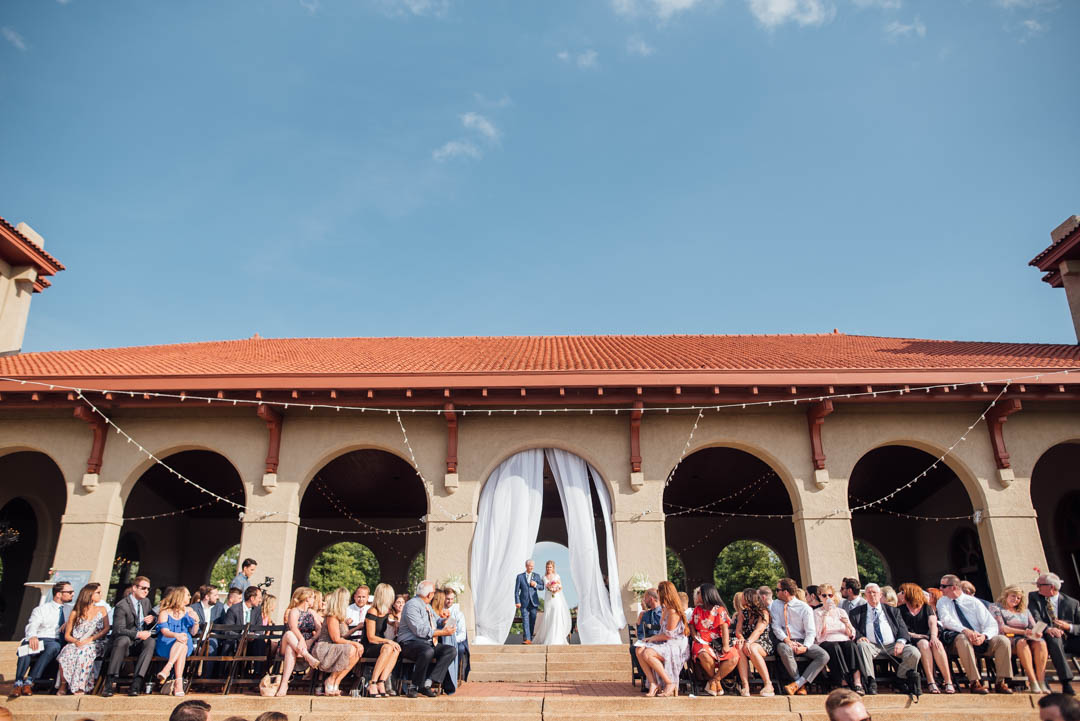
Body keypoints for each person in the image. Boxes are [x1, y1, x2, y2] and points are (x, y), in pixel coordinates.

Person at [935, 573, 1012, 694]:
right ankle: (974, 681)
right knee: (963, 638)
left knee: (1003, 641)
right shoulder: (942, 602)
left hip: (979, 639)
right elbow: (946, 621)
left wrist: (984, 636)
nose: (940, 589)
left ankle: (1000, 682)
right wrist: (965, 630)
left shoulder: (973, 602)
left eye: (943, 586)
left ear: (954, 587)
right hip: (957, 642)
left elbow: (991, 624)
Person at [849, 582, 921, 696]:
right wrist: (860, 637)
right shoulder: (856, 612)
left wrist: (900, 642)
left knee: (914, 652)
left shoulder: (892, 611)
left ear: (880, 594)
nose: (872, 595)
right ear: (865, 596)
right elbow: (853, 629)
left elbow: (903, 629)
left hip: (892, 645)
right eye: (869, 592)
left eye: (875, 592)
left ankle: (900, 678)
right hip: (871, 645)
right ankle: (871, 681)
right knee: (861, 646)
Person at [397, 580, 457, 697]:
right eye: (433, 592)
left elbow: (435, 621)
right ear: (429, 594)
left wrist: (444, 620)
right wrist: (443, 632)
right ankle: (414, 686)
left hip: (427, 643)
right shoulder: (412, 605)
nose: (434, 595)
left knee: (450, 650)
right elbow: (420, 630)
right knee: (427, 651)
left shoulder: (427, 605)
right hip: (410, 643)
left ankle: (428, 683)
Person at [13, 580, 73, 696]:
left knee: (53, 647)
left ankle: (30, 681)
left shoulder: (71, 610)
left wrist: (70, 622)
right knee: (25, 648)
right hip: (39, 638)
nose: (72, 594)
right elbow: (32, 624)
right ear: (59, 594)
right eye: (69, 592)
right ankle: (18, 683)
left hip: (54, 640)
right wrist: (32, 636)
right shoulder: (42, 609)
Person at [771, 577, 829, 695]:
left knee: (823, 655)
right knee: (784, 649)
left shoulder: (804, 607)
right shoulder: (775, 605)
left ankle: (798, 684)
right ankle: (798, 683)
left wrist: (805, 646)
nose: (776, 592)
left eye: (777, 590)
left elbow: (810, 631)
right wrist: (787, 640)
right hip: (785, 640)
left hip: (802, 640)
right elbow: (776, 626)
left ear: (785, 592)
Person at [102, 576, 157, 697]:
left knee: (150, 642)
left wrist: (152, 619)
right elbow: (118, 629)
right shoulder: (122, 605)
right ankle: (110, 681)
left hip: (138, 643)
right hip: (124, 642)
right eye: (143, 588)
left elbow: (151, 620)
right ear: (134, 588)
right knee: (123, 640)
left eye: (148, 589)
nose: (146, 591)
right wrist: (138, 634)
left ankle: (137, 682)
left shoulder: (146, 602)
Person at [634, 580, 690, 697]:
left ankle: (670, 683)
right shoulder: (666, 609)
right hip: (665, 641)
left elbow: (669, 635)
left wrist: (652, 638)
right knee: (639, 650)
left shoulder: (673, 612)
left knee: (648, 653)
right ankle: (653, 683)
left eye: (659, 592)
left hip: (674, 644)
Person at [897, 582, 953, 694]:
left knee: (937, 645)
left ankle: (948, 681)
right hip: (911, 638)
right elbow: (901, 629)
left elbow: (933, 623)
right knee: (923, 644)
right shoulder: (900, 610)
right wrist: (916, 636)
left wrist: (933, 637)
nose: (900, 594)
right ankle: (931, 681)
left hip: (928, 636)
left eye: (903, 592)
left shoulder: (926, 607)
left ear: (911, 593)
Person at [992, 583, 1048, 694]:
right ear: (1006, 595)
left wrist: (1038, 633)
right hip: (1009, 638)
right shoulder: (996, 607)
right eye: (1013, 596)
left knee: (1041, 643)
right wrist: (1023, 632)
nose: (1016, 600)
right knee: (1022, 643)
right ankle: (1032, 682)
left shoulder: (1025, 611)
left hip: (1027, 637)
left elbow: (1033, 626)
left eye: (1018, 598)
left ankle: (1041, 681)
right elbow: (1002, 628)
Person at [1030, 572, 1079, 696]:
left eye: (1040, 585)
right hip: (1048, 638)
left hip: (1069, 639)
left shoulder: (1072, 603)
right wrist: (1048, 629)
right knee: (1055, 639)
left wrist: (1069, 627)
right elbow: (1035, 617)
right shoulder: (1034, 597)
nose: (1037, 587)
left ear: (1051, 587)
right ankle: (1066, 682)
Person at [57, 582, 110, 695]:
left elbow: (106, 629)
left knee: (84, 652)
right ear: (90, 594)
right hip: (77, 642)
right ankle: (63, 684)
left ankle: (81, 686)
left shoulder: (102, 609)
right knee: (66, 652)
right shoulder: (76, 612)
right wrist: (76, 641)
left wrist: (90, 639)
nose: (100, 595)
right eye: (98, 592)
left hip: (96, 642)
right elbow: (67, 635)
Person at [311, 587, 361, 696]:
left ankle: (336, 681)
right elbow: (336, 639)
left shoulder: (341, 617)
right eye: (347, 600)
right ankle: (331, 679)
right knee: (352, 648)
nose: (348, 602)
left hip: (335, 646)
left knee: (357, 651)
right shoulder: (332, 616)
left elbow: (343, 635)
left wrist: (356, 628)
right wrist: (355, 643)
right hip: (325, 647)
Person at [689, 583, 737, 696]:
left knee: (734, 656)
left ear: (706, 594)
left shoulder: (719, 609)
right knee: (704, 654)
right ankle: (716, 683)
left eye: (699, 593)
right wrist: (695, 636)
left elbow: (724, 627)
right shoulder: (697, 609)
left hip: (717, 642)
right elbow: (691, 624)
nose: (697, 595)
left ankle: (714, 680)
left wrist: (725, 645)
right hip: (701, 641)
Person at [273, 586, 321, 698]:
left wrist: (311, 640)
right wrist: (302, 640)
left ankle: (284, 684)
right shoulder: (294, 611)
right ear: (307, 599)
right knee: (289, 634)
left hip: (304, 644)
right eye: (313, 597)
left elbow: (319, 629)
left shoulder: (312, 613)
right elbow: (293, 627)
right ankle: (307, 657)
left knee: (291, 648)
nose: (314, 600)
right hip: (294, 639)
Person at [813, 583, 860, 693]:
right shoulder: (817, 612)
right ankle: (843, 680)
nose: (827, 598)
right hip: (827, 639)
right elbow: (819, 635)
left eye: (830, 595)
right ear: (820, 597)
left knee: (851, 645)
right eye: (824, 596)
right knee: (834, 647)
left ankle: (857, 681)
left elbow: (851, 634)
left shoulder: (841, 612)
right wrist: (825, 615)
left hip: (843, 637)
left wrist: (847, 624)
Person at [154, 586, 199, 696]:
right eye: (187, 594)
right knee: (182, 645)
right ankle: (179, 684)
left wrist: (196, 621)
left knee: (183, 642)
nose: (190, 597)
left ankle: (167, 669)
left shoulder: (189, 611)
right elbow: (164, 631)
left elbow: (193, 632)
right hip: (167, 643)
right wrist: (176, 635)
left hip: (183, 641)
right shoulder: (164, 612)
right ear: (179, 596)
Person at [733, 587, 775, 697]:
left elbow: (759, 630)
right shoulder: (743, 613)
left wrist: (748, 642)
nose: (741, 598)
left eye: (743, 597)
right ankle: (745, 685)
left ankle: (768, 684)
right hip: (747, 641)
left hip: (762, 642)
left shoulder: (764, 612)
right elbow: (738, 629)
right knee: (739, 647)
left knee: (752, 648)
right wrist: (741, 638)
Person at [363, 583, 402, 697]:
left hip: (380, 644)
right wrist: (388, 641)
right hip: (370, 645)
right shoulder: (372, 611)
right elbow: (371, 637)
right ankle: (373, 682)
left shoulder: (386, 611)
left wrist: (394, 622)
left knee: (396, 649)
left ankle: (382, 681)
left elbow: (384, 623)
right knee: (388, 647)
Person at [534, 560, 571, 646]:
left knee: (556, 615)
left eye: (550, 567)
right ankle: (547, 636)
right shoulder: (544, 577)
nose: (548, 568)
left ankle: (556, 637)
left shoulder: (557, 576)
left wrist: (556, 589)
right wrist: (550, 588)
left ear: (553, 568)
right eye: (547, 567)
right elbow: (543, 587)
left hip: (556, 598)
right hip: (548, 599)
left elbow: (560, 586)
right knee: (548, 615)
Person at [444, 587, 470, 683]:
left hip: (455, 639)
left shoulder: (458, 614)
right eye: (447, 599)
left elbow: (462, 634)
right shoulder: (438, 610)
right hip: (441, 639)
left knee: (460, 649)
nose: (449, 601)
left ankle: (453, 674)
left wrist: (453, 640)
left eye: (451, 599)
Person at [514, 560, 541, 645]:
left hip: (534, 602)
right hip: (523, 603)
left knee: (532, 620)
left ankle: (529, 637)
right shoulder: (520, 577)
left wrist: (535, 584)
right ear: (526, 566)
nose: (531, 567)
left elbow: (542, 587)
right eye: (530, 566)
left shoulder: (537, 576)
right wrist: (517, 601)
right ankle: (527, 639)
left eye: (532, 566)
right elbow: (516, 591)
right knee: (525, 620)